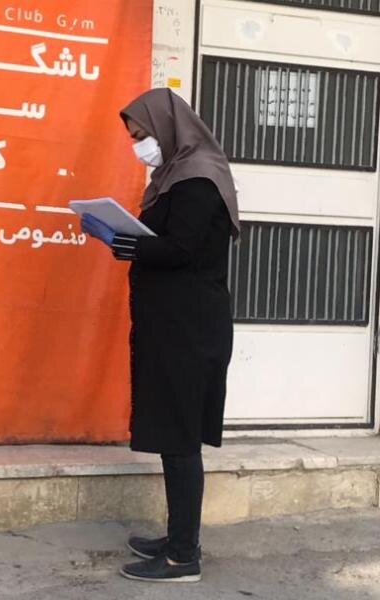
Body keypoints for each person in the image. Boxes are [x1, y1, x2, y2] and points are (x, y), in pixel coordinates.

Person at [81, 88, 240, 583]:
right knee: (175, 434)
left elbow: (182, 250)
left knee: (181, 437)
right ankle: (178, 538)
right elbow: (166, 243)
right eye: (134, 138)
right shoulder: (174, 177)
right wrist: (122, 239)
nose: (139, 146)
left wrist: (127, 242)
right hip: (175, 323)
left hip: (189, 328)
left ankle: (182, 557)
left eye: (142, 135)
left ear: (168, 129)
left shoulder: (197, 180)